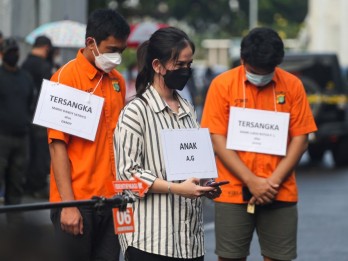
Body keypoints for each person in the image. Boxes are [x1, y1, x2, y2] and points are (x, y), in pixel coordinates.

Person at [201, 27, 318, 261]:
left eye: (269, 72)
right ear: (243, 59)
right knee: (230, 257)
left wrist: (271, 182)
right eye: (255, 72)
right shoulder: (222, 85)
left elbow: (301, 138)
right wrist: (251, 181)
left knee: (280, 257)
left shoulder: (292, 85)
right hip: (233, 191)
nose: (262, 77)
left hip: (280, 191)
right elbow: (216, 138)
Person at [114, 26, 221, 261]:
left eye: (189, 65)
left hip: (189, 241)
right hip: (150, 239)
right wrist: (177, 188)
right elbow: (127, 177)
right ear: (157, 66)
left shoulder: (187, 108)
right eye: (179, 65)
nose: (185, 71)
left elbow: (193, 162)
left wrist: (206, 182)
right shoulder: (135, 112)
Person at [48, 9, 130, 261]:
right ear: (90, 43)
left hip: (113, 199)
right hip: (78, 200)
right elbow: (57, 146)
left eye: (121, 51)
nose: (116, 57)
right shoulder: (64, 79)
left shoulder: (117, 81)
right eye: (111, 49)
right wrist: (68, 205)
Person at [0, 37, 35, 222]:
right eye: (9, 52)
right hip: (2, 136)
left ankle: (14, 226)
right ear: (2, 54)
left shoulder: (26, 77)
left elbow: (31, 103)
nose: (13, 54)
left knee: (16, 182)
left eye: (15, 51)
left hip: (22, 138)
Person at [22, 35, 53, 198]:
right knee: (41, 152)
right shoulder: (44, 66)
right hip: (41, 115)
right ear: (46, 48)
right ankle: (37, 185)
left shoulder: (25, 64)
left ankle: (27, 184)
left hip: (26, 114)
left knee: (30, 151)